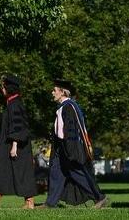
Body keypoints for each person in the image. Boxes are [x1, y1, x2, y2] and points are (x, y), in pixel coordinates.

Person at [43, 79, 107, 209]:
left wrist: (70, 150)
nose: (52, 92)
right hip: (61, 147)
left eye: (54, 90)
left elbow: (71, 132)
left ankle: (99, 198)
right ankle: (50, 203)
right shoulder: (63, 107)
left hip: (69, 147)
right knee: (56, 172)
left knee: (77, 173)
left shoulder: (69, 107)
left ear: (62, 92)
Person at [0, 74, 37, 209]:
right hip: (12, 145)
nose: (2, 90)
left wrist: (14, 146)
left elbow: (17, 127)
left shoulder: (14, 105)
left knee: (13, 171)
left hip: (15, 146)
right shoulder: (13, 103)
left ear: (9, 88)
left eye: (3, 87)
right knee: (10, 172)